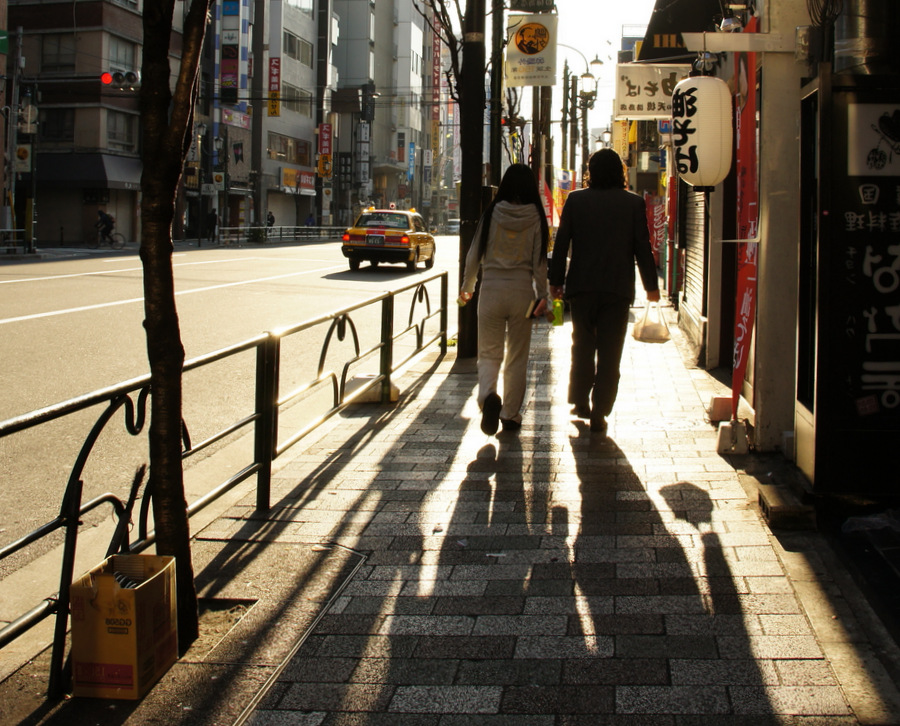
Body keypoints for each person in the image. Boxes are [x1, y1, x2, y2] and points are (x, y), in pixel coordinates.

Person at [549, 148, 660, 436]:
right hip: (617, 288)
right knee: (611, 353)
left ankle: (580, 400)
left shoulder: (576, 200)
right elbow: (642, 248)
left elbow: (561, 244)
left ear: (591, 172)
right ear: (621, 173)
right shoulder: (633, 204)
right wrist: (651, 286)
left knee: (582, 346)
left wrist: (555, 281)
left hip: (582, 287)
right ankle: (601, 410)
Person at [459, 163, 551, 435]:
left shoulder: (492, 213)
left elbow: (474, 254)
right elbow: (539, 264)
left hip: (491, 291)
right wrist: (544, 295)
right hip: (522, 293)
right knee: (517, 356)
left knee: (488, 353)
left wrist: (468, 286)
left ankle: (488, 397)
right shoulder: (535, 216)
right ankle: (510, 414)